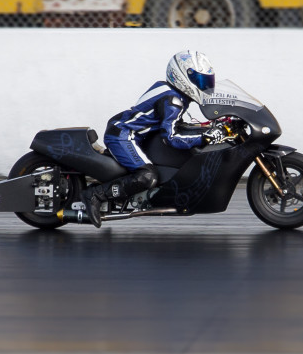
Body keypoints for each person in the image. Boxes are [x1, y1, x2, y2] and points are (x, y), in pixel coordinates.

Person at [78, 50, 231, 228]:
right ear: (182, 76)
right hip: (123, 135)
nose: (204, 86)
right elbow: (172, 137)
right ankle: (95, 195)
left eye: (206, 80)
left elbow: (172, 124)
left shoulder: (169, 91)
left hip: (127, 131)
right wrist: (204, 138)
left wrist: (205, 128)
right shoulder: (172, 100)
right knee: (147, 177)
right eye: (200, 80)